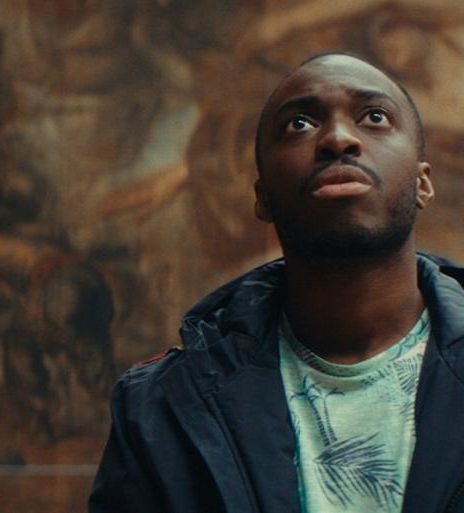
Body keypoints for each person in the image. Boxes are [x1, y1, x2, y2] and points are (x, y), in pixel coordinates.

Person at [89, 52, 464, 513]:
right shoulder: (159, 408)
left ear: (423, 183)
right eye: (299, 124)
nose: (338, 138)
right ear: (263, 196)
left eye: (374, 117)